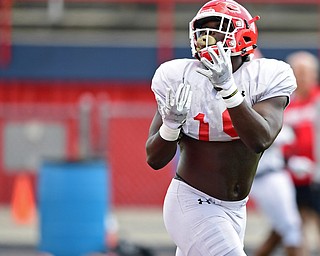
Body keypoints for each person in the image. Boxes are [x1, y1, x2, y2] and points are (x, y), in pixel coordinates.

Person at [145, 0, 297, 255]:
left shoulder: (267, 75)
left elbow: (260, 139)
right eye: (202, 30)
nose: (207, 37)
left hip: (236, 208)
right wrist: (170, 126)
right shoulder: (180, 77)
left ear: (243, 33)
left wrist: (229, 91)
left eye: (217, 28)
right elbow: (154, 159)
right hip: (191, 201)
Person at [283, 51, 320, 255]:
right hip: (292, 176)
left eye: (305, 73)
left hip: (316, 176)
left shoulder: (318, 100)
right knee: (294, 228)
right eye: (298, 73)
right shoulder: (286, 103)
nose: (301, 78)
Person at [250, 125, 303, 256]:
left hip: (275, 173)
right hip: (262, 178)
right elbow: (265, 138)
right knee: (289, 226)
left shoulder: (269, 112)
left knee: (284, 227)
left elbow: (286, 135)